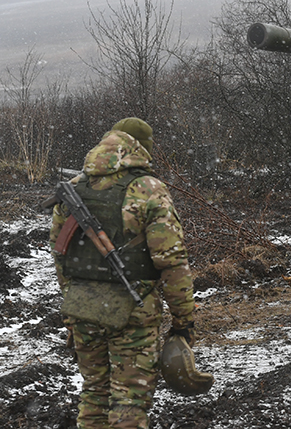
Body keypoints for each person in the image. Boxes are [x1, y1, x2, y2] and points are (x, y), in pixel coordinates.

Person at [49, 118, 196, 428]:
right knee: (129, 401)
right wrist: (183, 322)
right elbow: (172, 261)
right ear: (142, 148)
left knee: (94, 394)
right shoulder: (148, 189)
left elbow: (59, 255)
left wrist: (72, 309)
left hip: (83, 307)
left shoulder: (77, 186)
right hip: (133, 311)